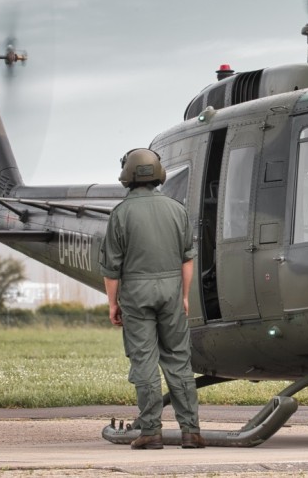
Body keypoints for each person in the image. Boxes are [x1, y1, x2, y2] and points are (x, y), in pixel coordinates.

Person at [99, 147, 205, 450]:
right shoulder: (177, 209)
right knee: (178, 360)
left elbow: (111, 269)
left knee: (144, 362)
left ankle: (151, 432)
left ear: (127, 175)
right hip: (171, 290)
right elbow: (188, 259)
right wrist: (184, 296)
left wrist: (112, 303)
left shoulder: (120, 214)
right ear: (158, 173)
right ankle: (191, 431)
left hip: (136, 294)